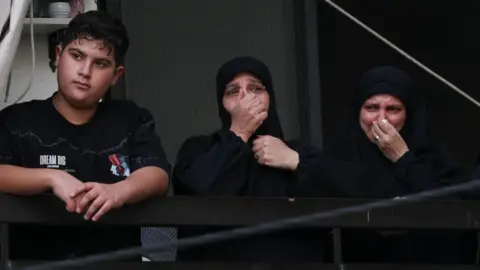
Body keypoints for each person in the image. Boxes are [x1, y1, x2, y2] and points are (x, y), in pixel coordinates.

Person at [0, 11, 170, 260]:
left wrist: (119, 191)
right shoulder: (17, 120)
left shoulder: (130, 119)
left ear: (116, 75)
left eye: (100, 63)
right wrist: (51, 177)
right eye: (77, 56)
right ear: (58, 56)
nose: (85, 71)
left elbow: (158, 175)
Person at [300, 66, 476, 263]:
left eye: (393, 109)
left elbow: (455, 211)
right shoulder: (338, 157)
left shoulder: (433, 157)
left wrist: (403, 157)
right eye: (371, 108)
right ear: (357, 112)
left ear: (409, 114)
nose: (381, 119)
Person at [172, 56, 327, 262]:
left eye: (255, 89)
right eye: (233, 92)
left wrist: (294, 160)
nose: (245, 98)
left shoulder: (300, 151)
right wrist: (239, 133)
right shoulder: (199, 149)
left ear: (270, 98)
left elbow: (337, 188)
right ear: (222, 104)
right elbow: (197, 191)